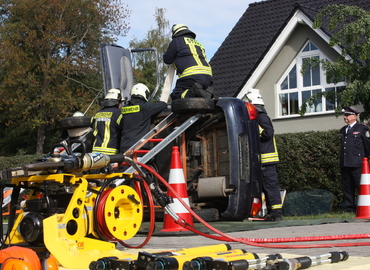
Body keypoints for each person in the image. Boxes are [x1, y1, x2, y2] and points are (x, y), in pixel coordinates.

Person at [246, 89, 282, 221]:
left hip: (267, 162)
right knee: (264, 189)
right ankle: (270, 213)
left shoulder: (262, 117)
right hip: (261, 162)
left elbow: (268, 133)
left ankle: (276, 214)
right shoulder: (257, 118)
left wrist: (257, 129)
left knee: (271, 188)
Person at [163, 23, 214, 100]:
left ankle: (194, 90)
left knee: (176, 95)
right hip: (208, 77)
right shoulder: (199, 44)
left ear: (175, 34)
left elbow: (167, 59)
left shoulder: (176, 41)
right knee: (200, 96)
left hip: (191, 76)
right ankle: (206, 91)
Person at [120, 83, 167, 154]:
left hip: (124, 146)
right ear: (144, 94)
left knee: (126, 165)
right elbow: (163, 105)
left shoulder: (124, 108)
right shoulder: (145, 108)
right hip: (139, 147)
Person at [340, 106, 370, 213]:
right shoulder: (343, 130)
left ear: (354, 116)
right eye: (344, 115)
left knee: (360, 187)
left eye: (347, 115)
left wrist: (363, 159)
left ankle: (365, 209)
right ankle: (350, 209)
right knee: (348, 188)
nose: (345, 117)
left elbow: (367, 146)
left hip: (357, 163)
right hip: (345, 163)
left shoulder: (362, 129)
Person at [91, 89, 123, 154]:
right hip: (111, 152)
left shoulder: (97, 114)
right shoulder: (118, 113)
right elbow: (123, 128)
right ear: (118, 102)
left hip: (95, 151)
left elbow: (91, 125)